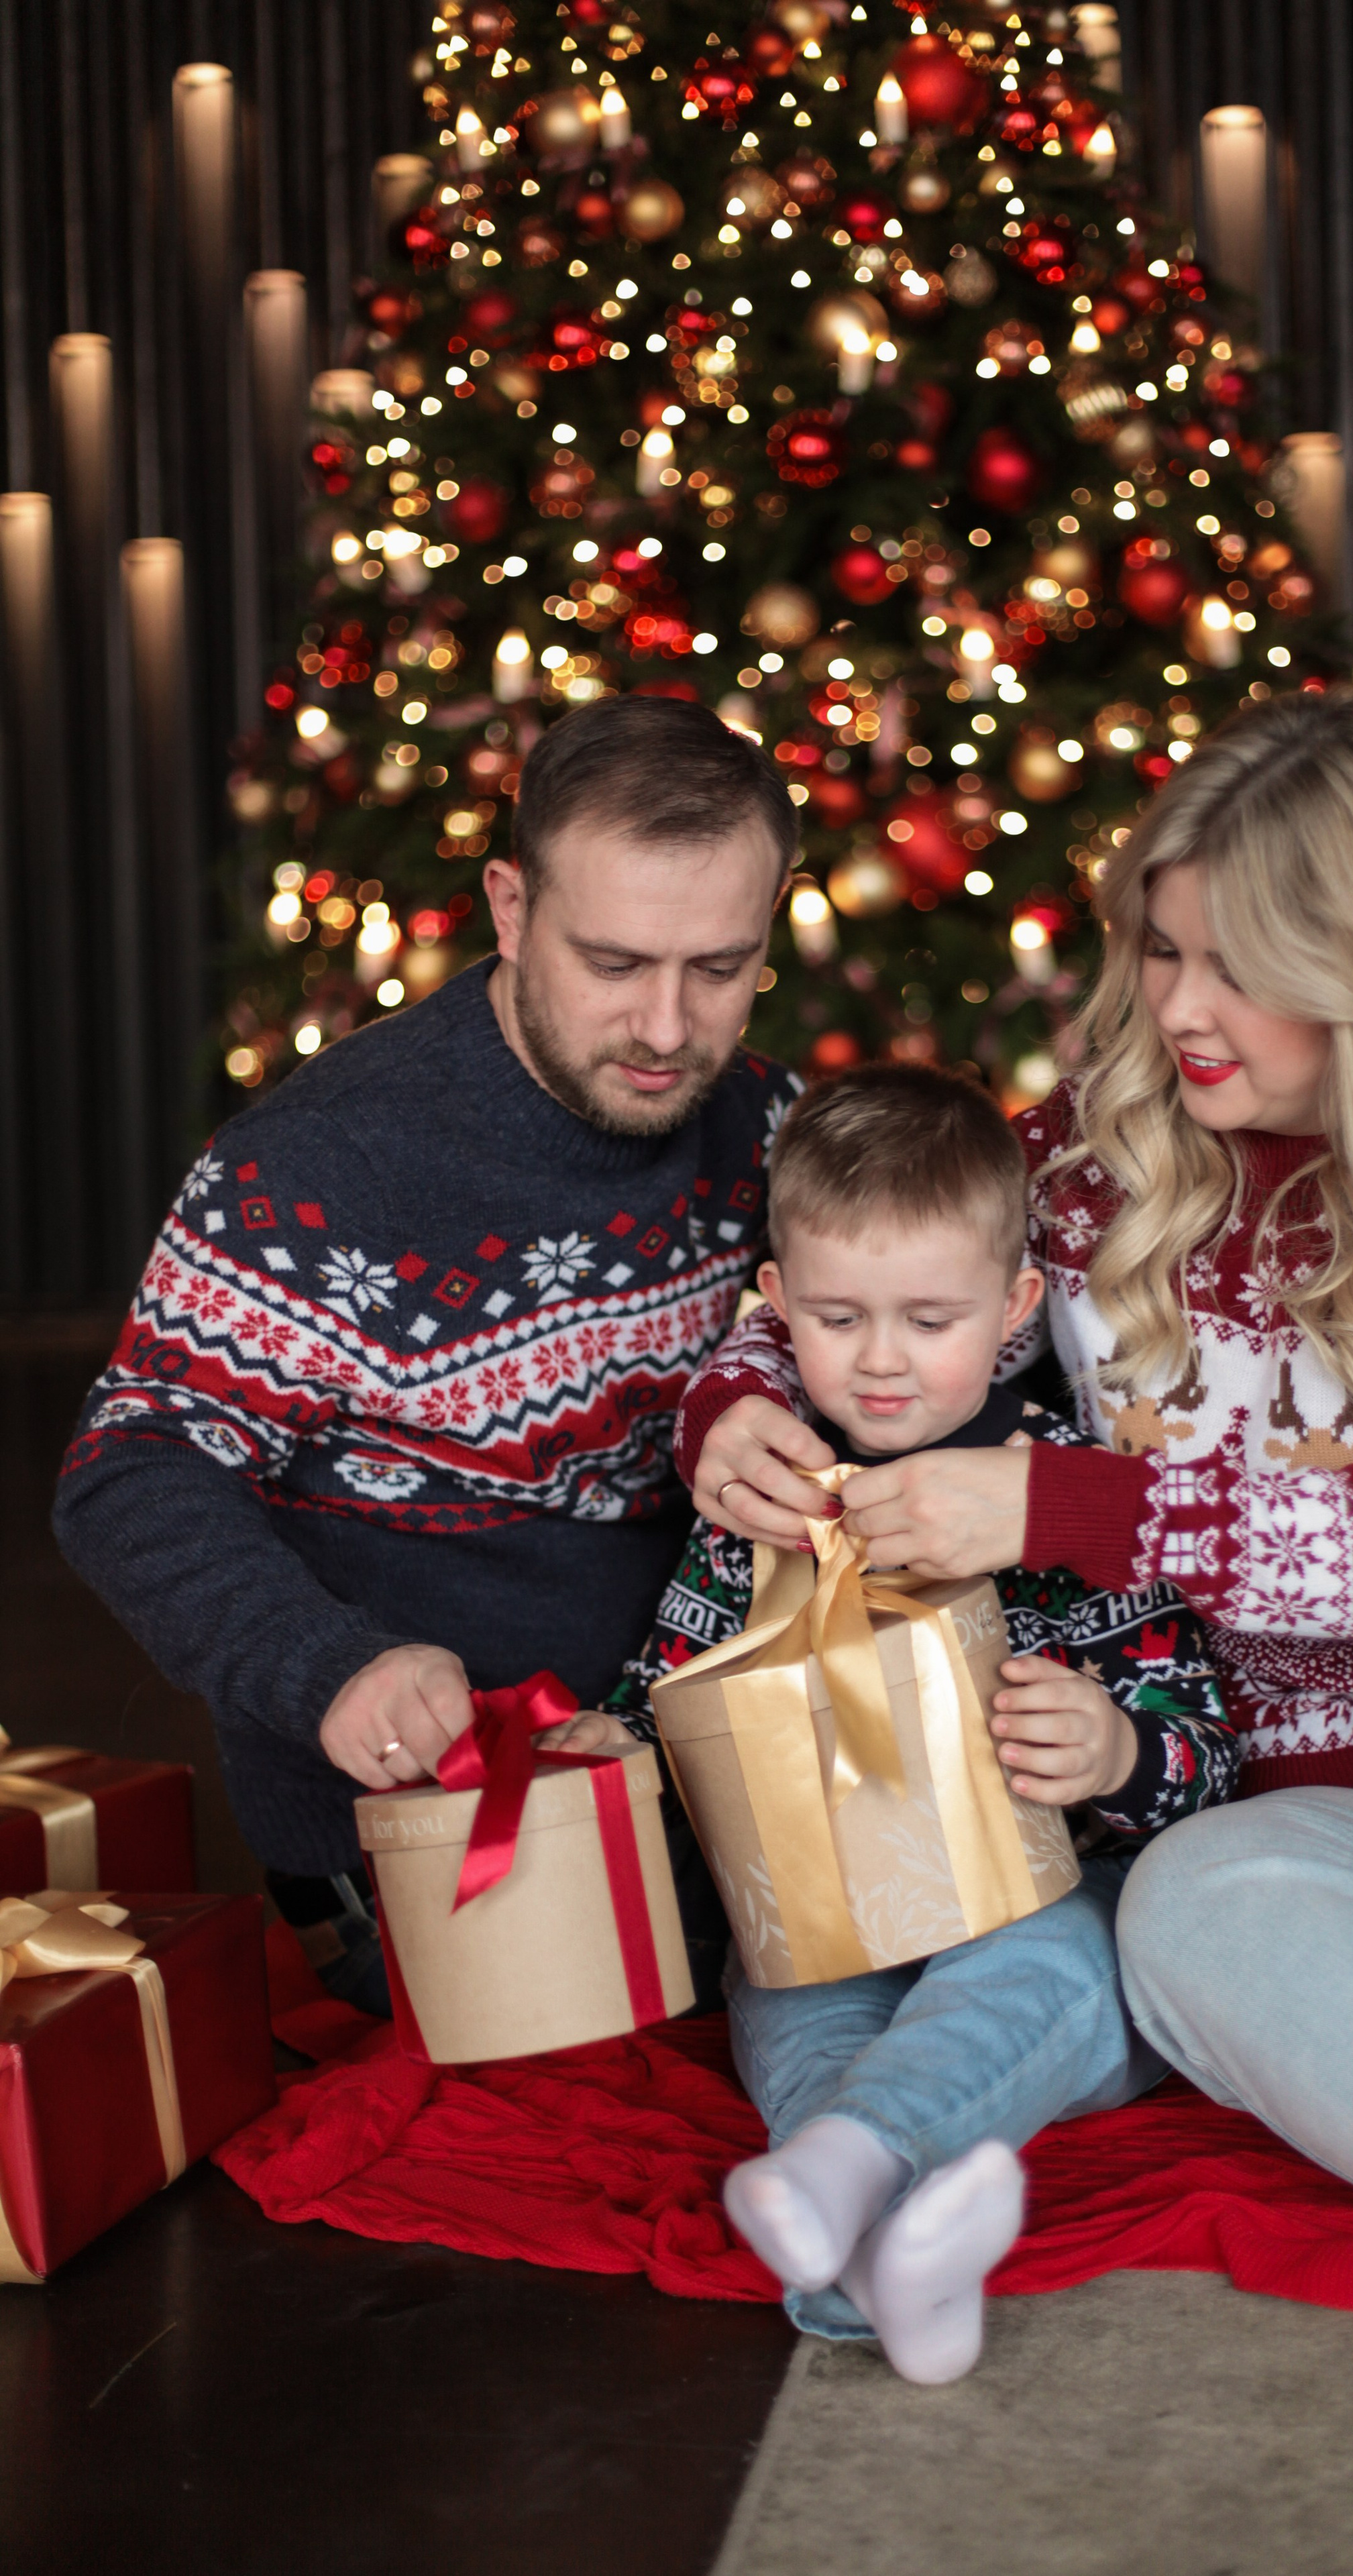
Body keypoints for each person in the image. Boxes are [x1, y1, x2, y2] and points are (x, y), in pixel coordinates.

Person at [676, 690, 1353, 2564]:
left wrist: (1068, 1503)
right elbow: (890, 1258)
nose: (1177, 1008)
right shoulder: (1098, 1149)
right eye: (1160, 945)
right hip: (1347, 1840)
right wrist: (740, 1395)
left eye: (1246, 966)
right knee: (1181, 1908)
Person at [54, 694, 798, 2013]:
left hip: (702, 1766)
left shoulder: (762, 1127)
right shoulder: (320, 1168)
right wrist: (326, 1664)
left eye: (720, 968)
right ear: (510, 911)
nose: (671, 1029)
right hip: (434, 1816)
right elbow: (133, 1470)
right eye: (615, 965)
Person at [554, 1064, 1236, 2382]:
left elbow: (1200, 1738)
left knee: (1061, 1970)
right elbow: (671, 1679)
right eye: (834, 1316)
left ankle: (850, 2183)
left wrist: (1116, 1748)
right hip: (824, 1915)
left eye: (928, 1319)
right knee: (792, 2015)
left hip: (1038, 1896)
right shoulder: (764, 1503)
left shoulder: (1065, 1502)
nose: (877, 1359)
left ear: (1014, 1310)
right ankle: (878, 2244)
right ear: (773, 1307)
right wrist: (622, 1745)